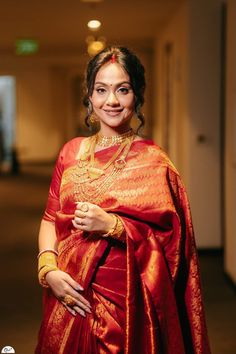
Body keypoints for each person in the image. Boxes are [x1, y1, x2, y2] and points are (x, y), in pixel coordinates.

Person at [35, 46, 211, 354]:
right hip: (66, 294)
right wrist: (48, 270)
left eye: (123, 90)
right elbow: (51, 218)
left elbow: (173, 245)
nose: (112, 101)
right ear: (89, 95)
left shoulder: (154, 161)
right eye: (101, 90)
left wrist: (114, 226)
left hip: (128, 305)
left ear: (138, 95)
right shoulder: (70, 151)